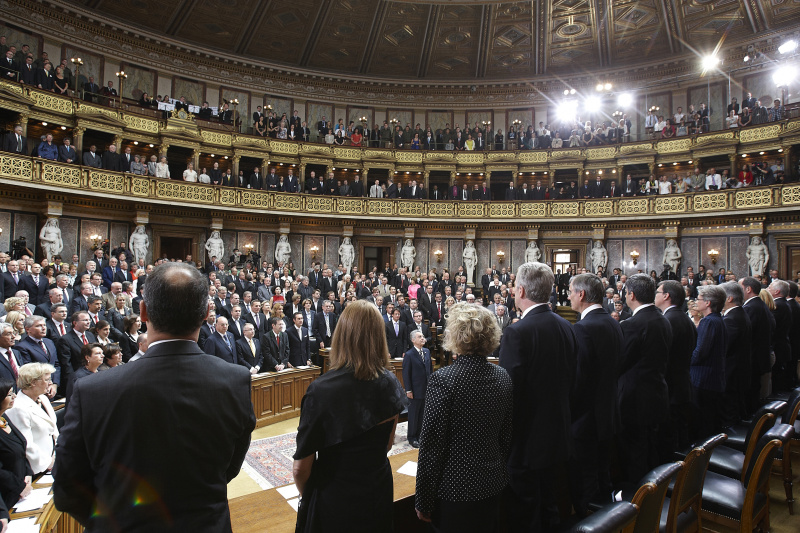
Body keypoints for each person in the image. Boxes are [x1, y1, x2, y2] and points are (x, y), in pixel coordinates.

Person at [53, 262, 256, 531]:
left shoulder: (93, 389)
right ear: (206, 313)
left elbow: (68, 489)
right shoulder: (235, 380)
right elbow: (229, 468)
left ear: (143, 311)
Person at [292, 300, 406, 532]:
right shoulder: (390, 382)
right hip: (377, 490)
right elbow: (387, 445)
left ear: (341, 335)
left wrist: (310, 499)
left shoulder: (321, 390)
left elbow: (300, 469)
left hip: (335, 496)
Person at [415, 302, 512, 532]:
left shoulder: (444, 379)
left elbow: (431, 446)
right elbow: (506, 437)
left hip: (454, 491)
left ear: (455, 335)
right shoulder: (503, 376)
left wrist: (423, 500)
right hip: (493, 484)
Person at [499, 262, 577, 532]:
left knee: (526, 516)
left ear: (520, 290)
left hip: (527, 444)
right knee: (550, 509)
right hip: (559, 437)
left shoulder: (517, 331)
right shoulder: (567, 326)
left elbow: (509, 392)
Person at [567, 274, 622, 516]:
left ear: (581, 294)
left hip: (585, 421)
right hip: (608, 415)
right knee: (603, 480)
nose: (568, 296)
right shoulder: (612, 322)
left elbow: (579, 380)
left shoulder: (583, 328)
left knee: (585, 489)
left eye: (571, 291)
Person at [617, 274, 672, 483]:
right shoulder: (663, 319)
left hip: (635, 400)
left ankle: (636, 498)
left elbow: (621, 362)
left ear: (631, 295)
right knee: (651, 450)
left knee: (634, 455)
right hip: (657, 394)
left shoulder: (632, 324)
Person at [6, 362, 58, 475]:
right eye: (47, 379)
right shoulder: (18, 408)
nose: (50, 383)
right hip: (37, 468)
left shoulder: (43, 398)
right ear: (33, 382)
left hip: (54, 460)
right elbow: (26, 444)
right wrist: (48, 463)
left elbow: (53, 430)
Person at [690, 285, 728, 437]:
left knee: (703, 424)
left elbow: (700, 352)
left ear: (708, 303)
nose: (696, 302)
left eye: (698, 299)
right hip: (713, 377)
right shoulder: (718, 319)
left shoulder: (708, 322)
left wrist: (685, 361)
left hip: (704, 378)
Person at [0, 379, 32, 527]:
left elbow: (20, 448)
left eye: (14, 393)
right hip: (7, 496)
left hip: (21, 491)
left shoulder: (4, 418)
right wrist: (19, 486)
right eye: (9, 394)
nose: (14, 397)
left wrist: (28, 473)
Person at [403, 329, 432, 449]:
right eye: (420, 337)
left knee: (422, 415)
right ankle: (412, 437)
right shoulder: (409, 355)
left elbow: (430, 371)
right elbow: (406, 374)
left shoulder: (427, 351)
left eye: (423, 336)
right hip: (414, 390)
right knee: (413, 415)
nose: (422, 338)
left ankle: (420, 435)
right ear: (413, 340)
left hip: (426, 389)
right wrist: (408, 390)